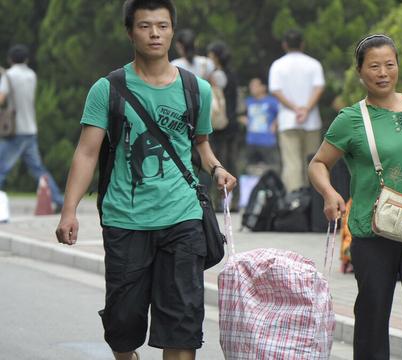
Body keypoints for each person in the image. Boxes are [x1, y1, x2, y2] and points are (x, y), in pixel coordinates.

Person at [54, 1, 237, 360]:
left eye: (163, 26)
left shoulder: (194, 88)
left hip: (183, 218)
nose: (155, 34)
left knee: (183, 325)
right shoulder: (107, 89)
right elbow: (87, 152)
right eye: (145, 26)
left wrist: (216, 168)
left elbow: (199, 143)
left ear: (172, 30)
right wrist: (68, 211)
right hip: (126, 218)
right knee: (122, 327)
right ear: (129, 31)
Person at [308, 34, 402, 360]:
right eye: (374, 66)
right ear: (360, 72)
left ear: (398, 67)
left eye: (389, 65)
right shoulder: (350, 119)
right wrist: (329, 193)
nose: (383, 73)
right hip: (372, 232)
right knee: (372, 318)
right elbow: (319, 163)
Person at [0, 44, 65, 210]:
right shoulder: (31, 75)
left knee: (1, 167)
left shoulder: (9, 76)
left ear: (10, 59)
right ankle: (58, 200)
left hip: (15, 130)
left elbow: (2, 98)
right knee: (38, 169)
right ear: (26, 59)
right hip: (30, 129)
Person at [269, 29, 325, 192]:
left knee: (292, 164)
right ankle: (314, 199)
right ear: (302, 44)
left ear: (284, 45)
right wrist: (306, 109)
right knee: (313, 162)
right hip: (311, 120)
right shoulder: (314, 64)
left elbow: (275, 90)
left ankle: (294, 201)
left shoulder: (278, 65)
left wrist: (295, 108)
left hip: (288, 120)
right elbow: (319, 87)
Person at [207, 41, 240, 210]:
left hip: (220, 124)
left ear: (216, 56)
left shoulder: (217, 75)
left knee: (216, 163)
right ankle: (235, 200)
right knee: (232, 162)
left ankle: (216, 199)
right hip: (232, 123)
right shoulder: (232, 74)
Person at [240, 76, 280, 172]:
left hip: (268, 140)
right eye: (251, 86)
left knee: (273, 168)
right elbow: (239, 114)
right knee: (247, 168)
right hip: (251, 140)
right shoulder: (248, 101)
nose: (252, 88)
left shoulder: (272, 101)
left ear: (263, 87)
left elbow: (281, 114)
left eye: (255, 86)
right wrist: (243, 120)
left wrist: (275, 124)